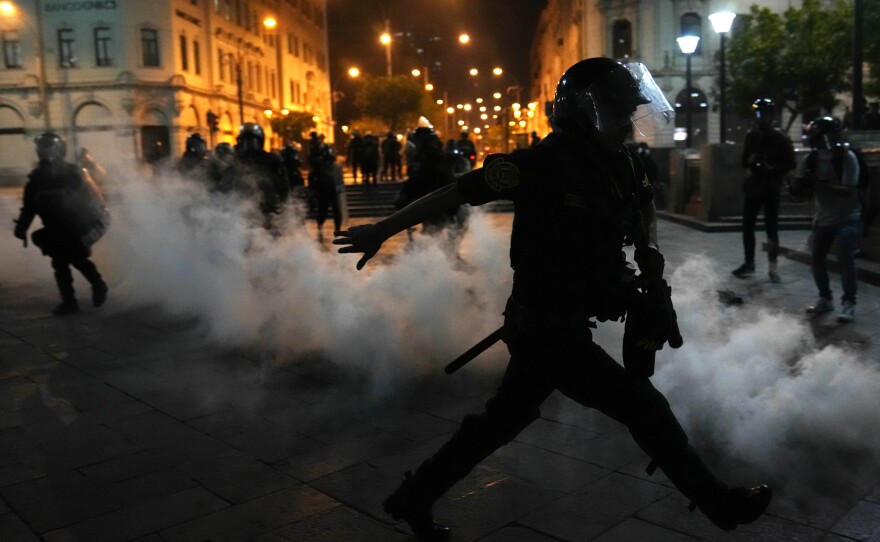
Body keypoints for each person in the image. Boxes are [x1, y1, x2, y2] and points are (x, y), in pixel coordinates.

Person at [334, 58, 771, 541]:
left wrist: (648, 247)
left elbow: (644, 204)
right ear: (584, 112)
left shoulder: (623, 161)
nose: (629, 122)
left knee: (500, 422)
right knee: (643, 407)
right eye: (619, 111)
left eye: (631, 111)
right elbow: (455, 193)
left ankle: (414, 497)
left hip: (564, 323)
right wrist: (382, 229)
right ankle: (720, 506)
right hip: (543, 326)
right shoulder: (541, 163)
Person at [14, 133, 109, 315]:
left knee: (76, 259)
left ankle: (96, 285)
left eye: (47, 148)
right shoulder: (36, 179)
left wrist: (88, 224)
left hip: (74, 227)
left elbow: (90, 200)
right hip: (55, 229)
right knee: (60, 264)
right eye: (41, 148)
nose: (43, 153)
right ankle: (71, 301)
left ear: (58, 150)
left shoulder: (72, 173)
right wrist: (21, 227)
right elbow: (29, 207)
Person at [793, 116, 862, 323]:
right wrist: (799, 187)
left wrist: (823, 186)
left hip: (848, 216)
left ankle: (849, 302)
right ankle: (825, 297)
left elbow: (849, 191)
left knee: (845, 256)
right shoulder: (810, 160)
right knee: (816, 259)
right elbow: (799, 190)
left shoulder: (847, 158)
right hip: (823, 218)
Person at [732, 98, 796, 282]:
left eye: (765, 113)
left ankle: (772, 267)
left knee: (771, 228)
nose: (762, 117)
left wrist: (772, 168)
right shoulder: (752, 136)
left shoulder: (780, 136)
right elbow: (744, 160)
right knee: (747, 227)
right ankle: (749, 263)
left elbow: (791, 162)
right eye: (759, 113)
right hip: (754, 185)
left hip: (771, 186)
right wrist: (752, 160)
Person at [224, 123, 289, 229]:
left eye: (252, 141)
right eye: (247, 141)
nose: (250, 144)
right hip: (244, 212)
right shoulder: (235, 162)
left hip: (267, 210)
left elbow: (283, 186)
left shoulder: (271, 159)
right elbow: (226, 187)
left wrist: (283, 205)